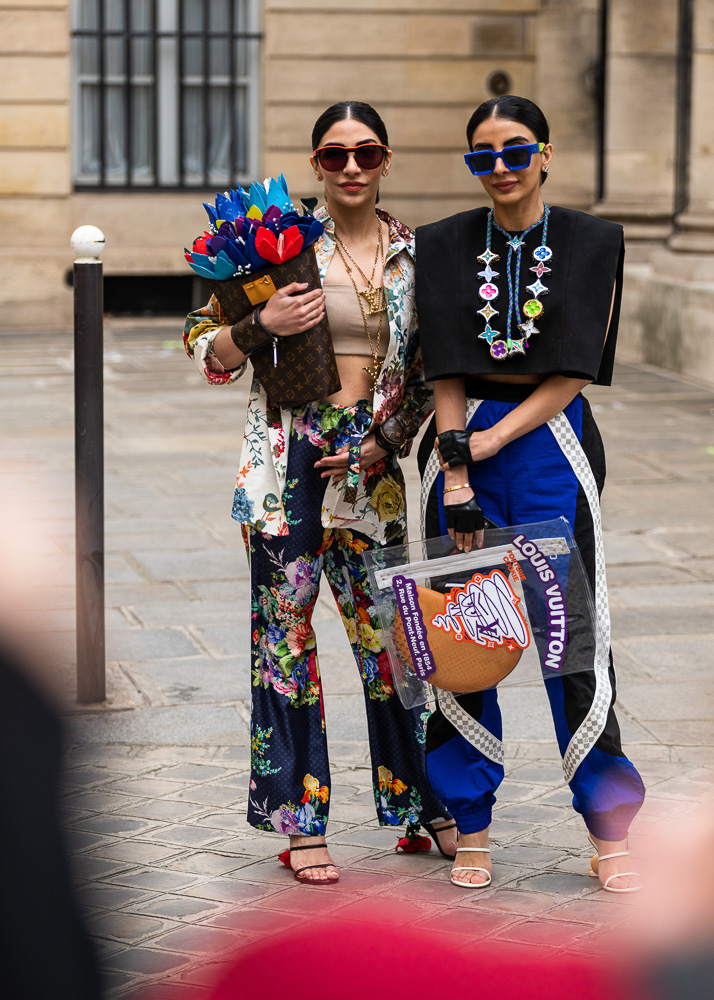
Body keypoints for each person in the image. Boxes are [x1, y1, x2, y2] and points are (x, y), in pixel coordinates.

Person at [184, 101, 455, 885]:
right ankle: (299, 822)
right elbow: (206, 344)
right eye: (333, 156)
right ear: (314, 164)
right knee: (286, 642)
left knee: (395, 642)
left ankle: (418, 801)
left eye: (365, 152)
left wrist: (386, 442)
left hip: (372, 464)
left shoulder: (416, 253)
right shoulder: (280, 240)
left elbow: (433, 369)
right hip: (288, 462)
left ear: (386, 159)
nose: (350, 168)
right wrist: (260, 321)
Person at [415, 95, 645, 890]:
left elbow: (573, 370)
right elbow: (444, 364)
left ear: (544, 154)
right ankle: (471, 824)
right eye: (483, 155)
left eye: (516, 151)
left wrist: (495, 439)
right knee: (462, 640)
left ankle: (609, 829)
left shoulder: (594, 242)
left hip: (550, 445)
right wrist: (455, 465)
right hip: (459, 446)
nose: (501, 168)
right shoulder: (443, 245)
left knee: (570, 640)